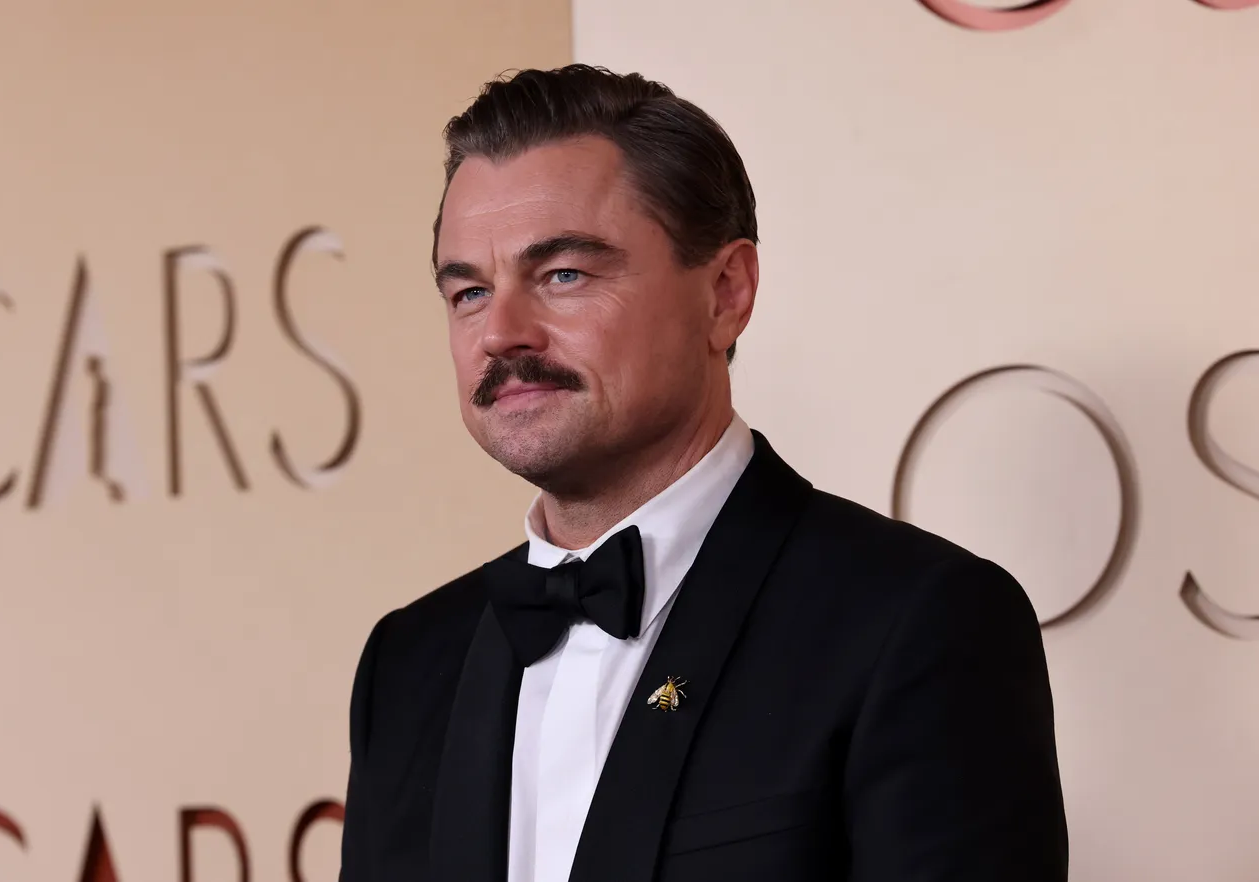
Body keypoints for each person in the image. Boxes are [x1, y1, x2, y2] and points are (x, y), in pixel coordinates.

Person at [338, 64, 1068, 882]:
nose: (501, 332)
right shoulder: (407, 665)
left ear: (726, 293)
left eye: (563, 275)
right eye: (468, 291)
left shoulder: (913, 622)